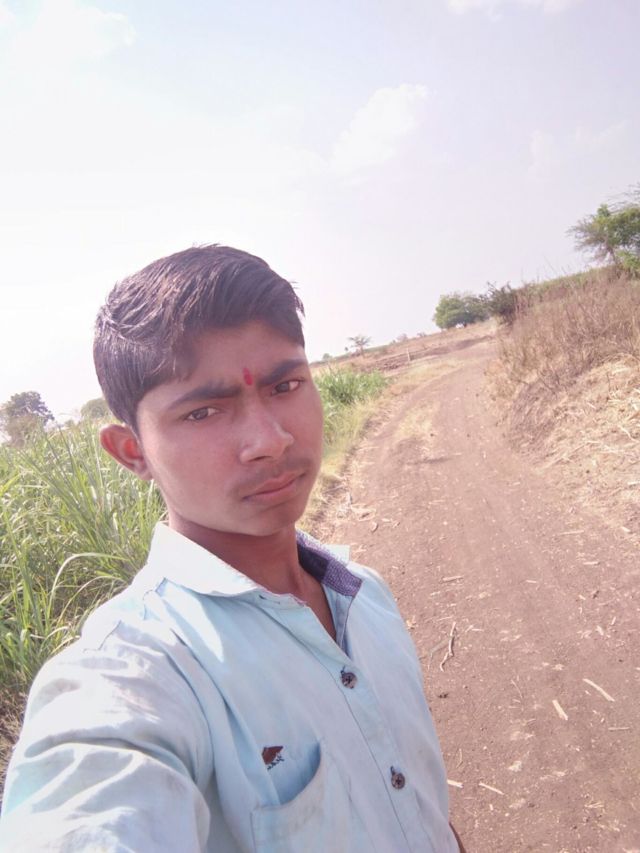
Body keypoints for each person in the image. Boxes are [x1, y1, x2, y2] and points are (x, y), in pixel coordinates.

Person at [1, 246, 463, 852]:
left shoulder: (364, 594)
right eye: (203, 413)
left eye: (285, 385)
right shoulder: (137, 675)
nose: (269, 441)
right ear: (132, 452)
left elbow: (420, 803)